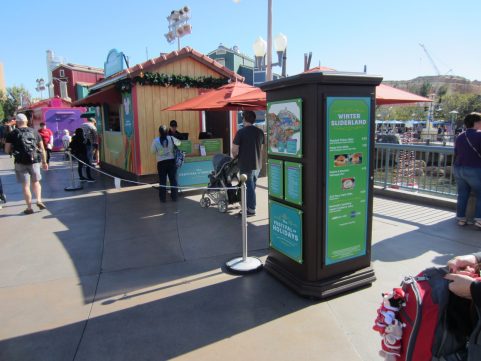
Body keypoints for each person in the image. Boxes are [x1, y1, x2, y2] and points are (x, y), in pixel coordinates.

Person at [4, 113, 48, 214]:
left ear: (17, 122)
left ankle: (29, 208)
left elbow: (7, 150)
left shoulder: (12, 134)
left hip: (20, 162)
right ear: (27, 121)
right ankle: (39, 200)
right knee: (36, 182)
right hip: (34, 161)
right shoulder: (35, 132)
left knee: (25, 185)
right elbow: (42, 148)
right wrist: (44, 162)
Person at [232, 110, 265, 217]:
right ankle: (248, 206)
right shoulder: (260, 132)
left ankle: (251, 209)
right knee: (252, 186)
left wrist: (235, 157)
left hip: (246, 164)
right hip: (258, 164)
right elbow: (261, 148)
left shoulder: (241, 132)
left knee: (248, 187)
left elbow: (234, 149)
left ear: (244, 119)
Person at [453, 112, 481, 229]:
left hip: (459, 168)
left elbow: (456, 153)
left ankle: (461, 218)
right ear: (476, 122)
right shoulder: (479, 135)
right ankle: (479, 220)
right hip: (474, 168)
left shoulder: (460, 136)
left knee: (462, 194)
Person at [151, 125, 181, 203]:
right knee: (173, 180)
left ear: (159, 132)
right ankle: (174, 197)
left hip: (161, 163)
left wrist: (161, 151)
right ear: (167, 131)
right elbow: (179, 143)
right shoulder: (171, 138)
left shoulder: (155, 141)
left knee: (162, 181)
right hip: (171, 162)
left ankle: (162, 198)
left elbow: (152, 151)